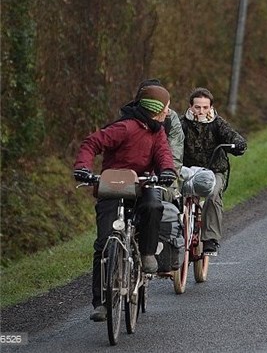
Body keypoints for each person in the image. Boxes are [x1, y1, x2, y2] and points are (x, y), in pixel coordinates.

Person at [72, 84, 177, 322]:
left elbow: (164, 154)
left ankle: (148, 253)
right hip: (113, 187)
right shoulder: (124, 127)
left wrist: (167, 170)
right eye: (166, 107)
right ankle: (100, 303)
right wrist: (82, 168)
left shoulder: (157, 131)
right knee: (102, 244)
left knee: (154, 206)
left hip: (143, 185)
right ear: (156, 108)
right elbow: (91, 143)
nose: (168, 112)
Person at [181, 87, 247, 256]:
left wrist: (238, 144)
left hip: (214, 170)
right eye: (197, 107)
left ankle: (210, 239)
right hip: (188, 171)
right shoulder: (182, 124)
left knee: (213, 193)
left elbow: (231, 136)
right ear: (190, 106)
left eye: (205, 107)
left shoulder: (218, 123)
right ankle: (173, 236)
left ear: (210, 107)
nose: (201, 111)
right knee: (172, 194)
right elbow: (170, 142)